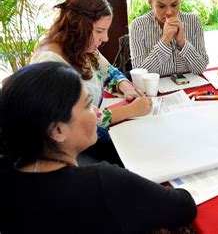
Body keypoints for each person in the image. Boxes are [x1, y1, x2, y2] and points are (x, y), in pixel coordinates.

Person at [0, 62, 197, 234]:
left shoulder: (9, 179)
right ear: (57, 130)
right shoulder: (103, 182)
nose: (97, 112)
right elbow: (184, 207)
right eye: (87, 105)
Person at [30, 0, 152, 163]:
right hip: (71, 152)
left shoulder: (81, 46)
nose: (106, 38)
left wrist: (127, 88)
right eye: (100, 31)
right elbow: (76, 122)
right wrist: (131, 110)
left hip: (92, 136)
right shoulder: (49, 62)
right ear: (78, 26)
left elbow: (109, 71)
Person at [130, 0, 209, 76]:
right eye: (161, 6)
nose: (169, 12)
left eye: (174, 5)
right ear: (150, 3)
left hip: (189, 86)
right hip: (156, 88)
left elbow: (200, 68)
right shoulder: (138, 25)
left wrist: (182, 42)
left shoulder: (193, 21)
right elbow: (139, 73)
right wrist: (164, 42)